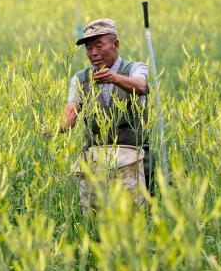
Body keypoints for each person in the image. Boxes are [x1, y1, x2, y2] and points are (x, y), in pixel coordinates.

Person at [58, 18, 152, 210]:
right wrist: (54, 128)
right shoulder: (81, 78)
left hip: (131, 160)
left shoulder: (135, 68)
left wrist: (114, 78)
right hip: (95, 163)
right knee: (95, 220)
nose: (93, 53)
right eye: (88, 48)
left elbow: (141, 86)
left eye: (99, 46)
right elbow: (71, 113)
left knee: (132, 220)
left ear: (115, 45)